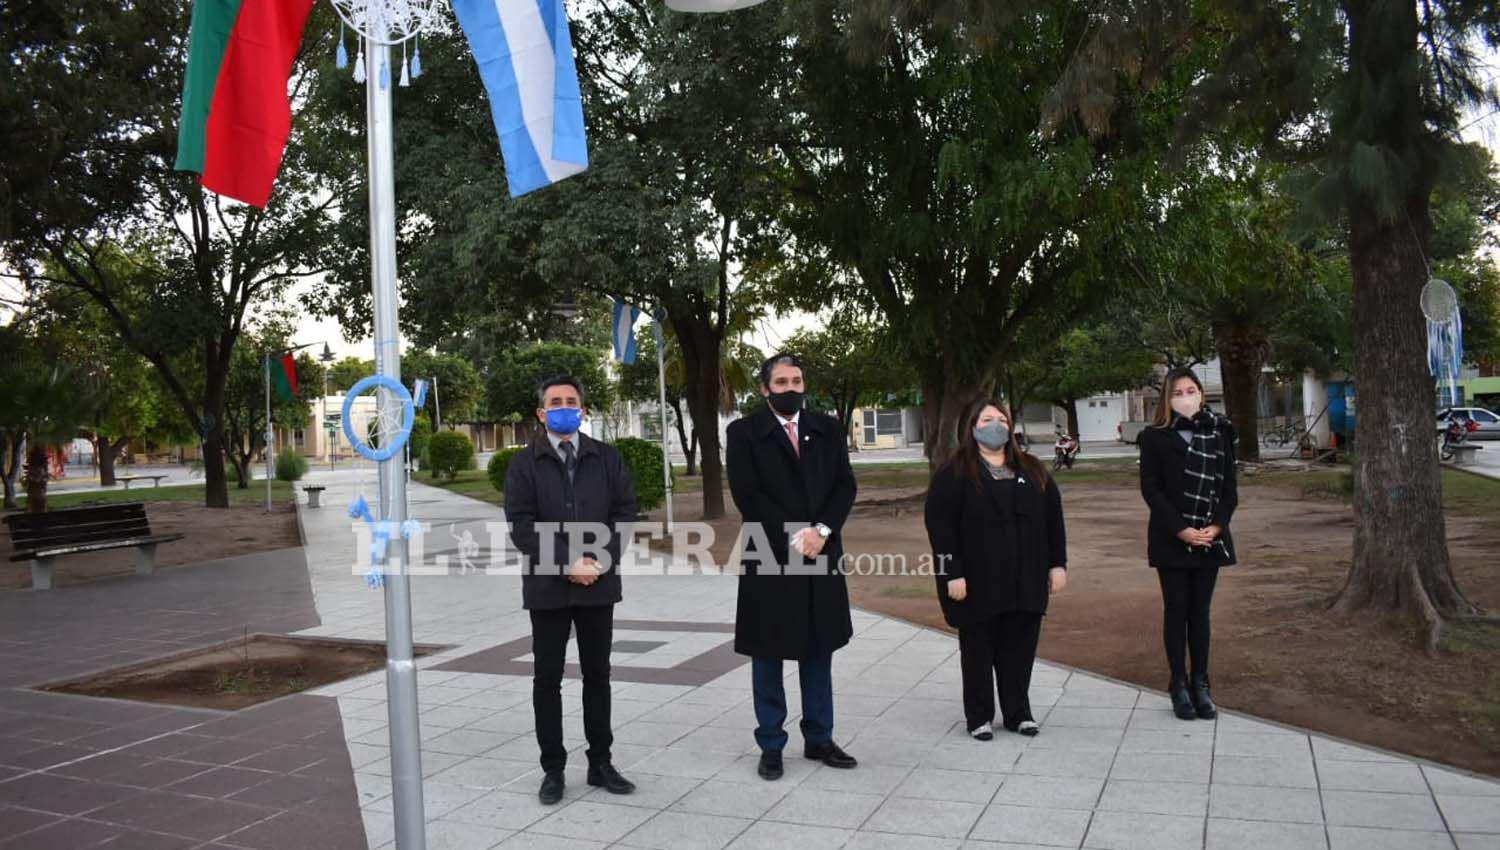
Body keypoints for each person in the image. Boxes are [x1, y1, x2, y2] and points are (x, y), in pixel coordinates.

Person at [503, 375, 638, 804]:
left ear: (583, 410)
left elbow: (625, 514)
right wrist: (566, 564)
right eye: (555, 402)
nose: (565, 407)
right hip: (547, 588)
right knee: (548, 679)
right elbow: (522, 526)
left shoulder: (607, 458)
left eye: (572, 401)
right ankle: (553, 769)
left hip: (598, 583)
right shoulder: (524, 464)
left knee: (598, 675)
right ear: (542, 413)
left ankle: (601, 762)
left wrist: (596, 562)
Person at [726, 352, 859, 781]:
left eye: (797, 381)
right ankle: (771, 743)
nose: (790, 389)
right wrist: (796, 535)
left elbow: (845, 484)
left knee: (818, 648)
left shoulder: (828, 428)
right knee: (767, 651)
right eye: (781, 382)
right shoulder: (744, 432)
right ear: (765, 388)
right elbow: (748, 495)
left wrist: (820, 530)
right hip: (771, 553)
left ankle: (820, 737)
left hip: (821, 550)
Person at [924, 399, 1067, 740]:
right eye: (987, 419)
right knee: (978, 650)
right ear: (972, 427)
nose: (995, 424)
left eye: (1001, 418)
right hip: (976, 579)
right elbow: (940, 528)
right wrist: (951, 573)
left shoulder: (1032, 469)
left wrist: (1057, 564)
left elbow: (1053, 521)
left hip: (1026, 577)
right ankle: (979, 716)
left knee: (1019, 648)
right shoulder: (954, 473)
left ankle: (1018, 712)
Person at [1138, 367, 1238, 721]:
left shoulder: (1220, 432)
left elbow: (1229, 488)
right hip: (1172, 538)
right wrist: (1180, 529)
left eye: (1191, 389)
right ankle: (1178, 684)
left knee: (1200, 614)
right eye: (1177, 391)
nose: (1185, 396)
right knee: (1176, 611)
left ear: (1201, 392)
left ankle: (1201, 684)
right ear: (1168, 398)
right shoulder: (1153, 437)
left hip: (1210, 538)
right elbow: (1151, 489)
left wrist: (1216, 526)